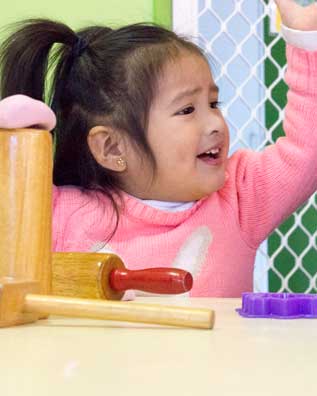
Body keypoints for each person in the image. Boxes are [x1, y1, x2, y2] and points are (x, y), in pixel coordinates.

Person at [0, 0, 316, 297]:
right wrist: (17, 146)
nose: (215, 123)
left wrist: (306, 44)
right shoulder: (59, 214)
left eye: (213, 103)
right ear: (111, 148)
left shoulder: (240, 198)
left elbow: (306, 152)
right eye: (187, 110)